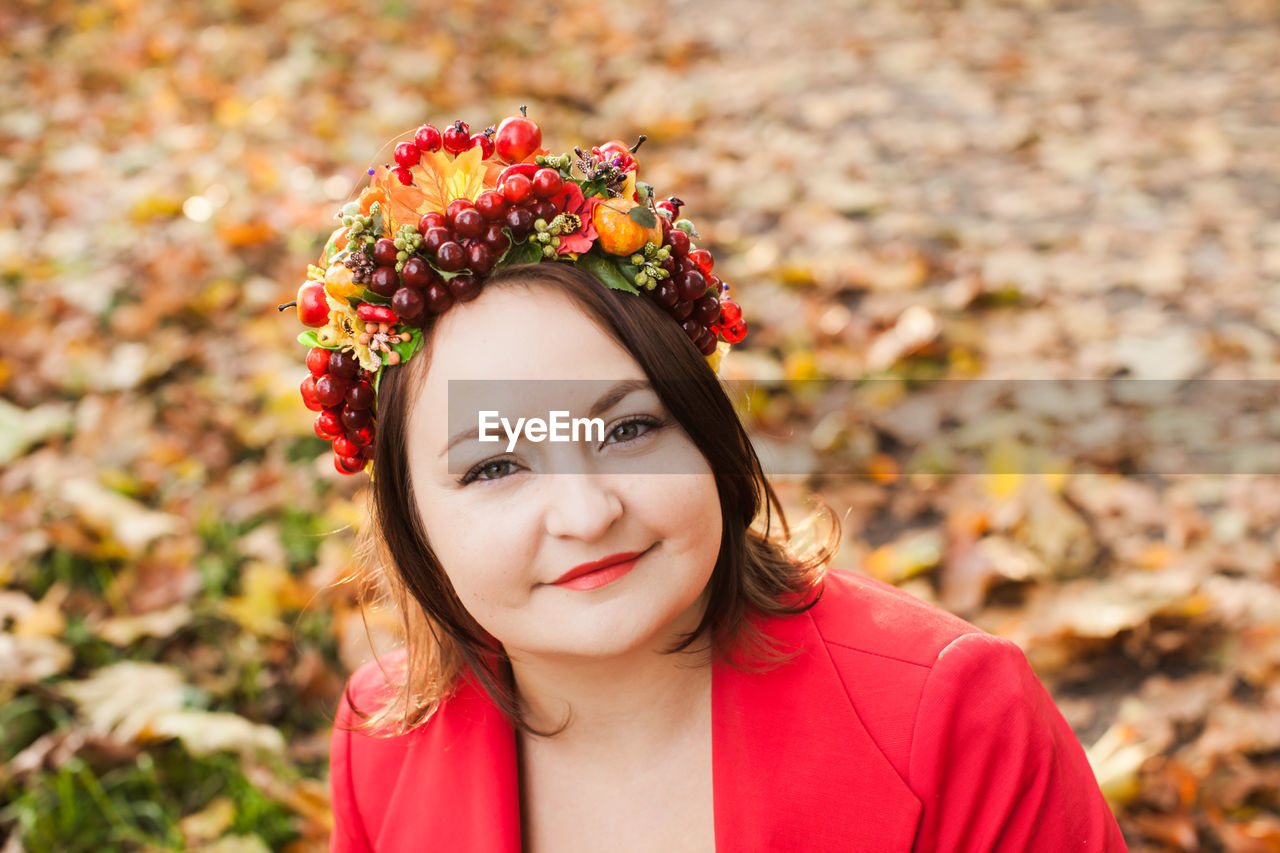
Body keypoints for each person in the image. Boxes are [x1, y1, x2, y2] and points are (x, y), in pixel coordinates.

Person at [286, 111, 1129, 851]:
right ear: (409, 515)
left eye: (628, 428)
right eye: (497, 464)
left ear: (705, 428)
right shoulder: (382, 743)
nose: (586, 512)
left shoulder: (953, 718)